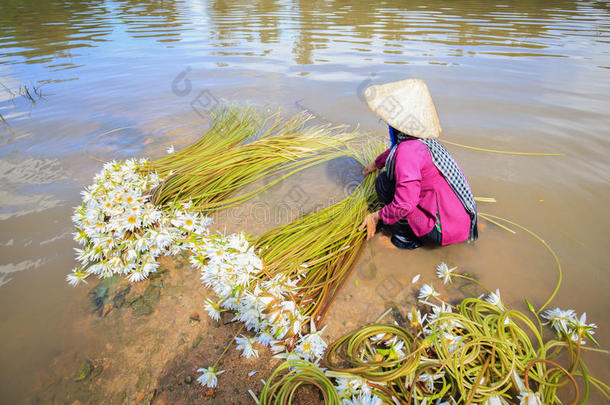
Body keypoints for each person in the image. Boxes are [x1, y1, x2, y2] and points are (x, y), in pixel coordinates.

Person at [358, 78, 478, 249]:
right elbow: (395, 152)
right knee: (392, 181)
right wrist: (375, 163)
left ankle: (404, 240)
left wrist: (375, 216)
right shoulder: (422, 141)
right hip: (460, 220)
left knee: (384, 183)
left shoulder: (407, 153)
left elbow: (404, 204)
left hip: (441, 232)